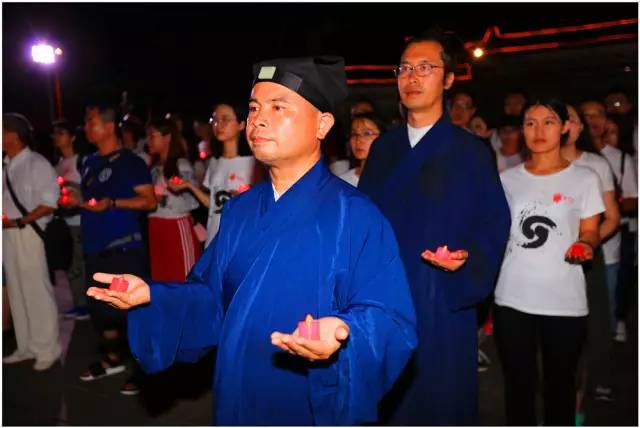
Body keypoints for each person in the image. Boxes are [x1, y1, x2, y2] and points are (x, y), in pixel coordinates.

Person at [86, 56, 417, 425]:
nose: (258, 119)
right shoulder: (241, 209)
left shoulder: (355, 214)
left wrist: (346, 335)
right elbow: (210, 297)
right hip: (236, 390)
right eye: (255, 107)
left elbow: (391, 320)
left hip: (306, 399)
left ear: (322, 124)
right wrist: (155, 297)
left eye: (279, 107)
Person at [358, 28, 511, 425]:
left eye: (425, 68)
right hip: (385, 294)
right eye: (404, 68)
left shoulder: (471, 152)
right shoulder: (384, 148)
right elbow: (363, 219)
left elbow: (493, 224)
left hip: (440, 297)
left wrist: (468, 261)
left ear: (447, 79)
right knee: (388, 399)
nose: (411, 76)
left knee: (440, 401)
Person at [494, 99, 604, 426]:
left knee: (560, 386)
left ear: (565, 128)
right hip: (512, 297)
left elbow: (591, 230)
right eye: (530, 122)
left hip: (564, 300)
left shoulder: (585, 178)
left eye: (549, 121)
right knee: (518, 386)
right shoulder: (506, 179)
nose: (539, 130)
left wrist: (585, 244)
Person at [78, 104, 156, 396]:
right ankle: (112, 360)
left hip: (123, 252)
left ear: (109, 127)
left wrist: (113, 203)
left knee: (131, 314)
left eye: (91, 121)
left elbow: (149, 201)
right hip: (94, 250)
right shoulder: (88, 162)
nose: (86, 127)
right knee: (101, 313)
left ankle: (144, 370)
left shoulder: (130, 162)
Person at [561, 104, 619, 415]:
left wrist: (587, 242)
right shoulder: (535, 165)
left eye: (570, 118)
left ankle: (577, 408)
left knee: (589, 332)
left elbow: (611, 217)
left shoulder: (595, 165)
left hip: (586, 261)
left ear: (579, 127)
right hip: (545, 266)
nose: (564, 124)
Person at [2, 113, 62, 371]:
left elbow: (49, 203)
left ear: (14, 135)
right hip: (8, 234)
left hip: (29, 233)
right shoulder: (5, 165)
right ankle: (26, 345)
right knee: (16, 290)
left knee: (37, 289)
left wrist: (19, 221)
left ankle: (47, 347)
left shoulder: (37, 163)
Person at [580, 100, 638, 341]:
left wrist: (607, 208)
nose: (592, 120)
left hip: (609, 240)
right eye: (586, 115)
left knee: (607, 299)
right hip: (575, 243)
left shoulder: (620, 158)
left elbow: (633, 200)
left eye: (598, 114)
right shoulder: (570, 157)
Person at [170, 102, 259, 246]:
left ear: (242, 124)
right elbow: (212, 204)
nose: (218, 124)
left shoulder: (254, 164)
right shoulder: (214, 162)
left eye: (225, 119)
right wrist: (189, 186)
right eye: (215, 120)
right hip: (214, 237)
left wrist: (245, 198)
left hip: (239, 239)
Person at [146, 118, 201, 281]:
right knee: (161, 279)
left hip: (176, 225)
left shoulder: (181, 165)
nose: (148, 140)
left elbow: (193, 200)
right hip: (155, 225)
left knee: (183, 278)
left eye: (152, 135)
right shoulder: (153, 167)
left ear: (167, 137)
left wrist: (167, 196)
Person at [52, 120, 90, 321]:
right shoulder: (57, 165)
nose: (57, 137)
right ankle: (79, 303)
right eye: (55, 134)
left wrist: (72, 187)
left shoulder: (81, 161)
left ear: (73, 137)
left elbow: (90, 190)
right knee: (71, 263)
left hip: (82, 219)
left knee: (80, 263)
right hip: (66, 221)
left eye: (61, 133)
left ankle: (85, 305)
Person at [339, 113, 385, 187]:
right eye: (354, 134)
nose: (358, 140)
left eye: (367, 133)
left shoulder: (394, 177)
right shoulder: (343, 182)